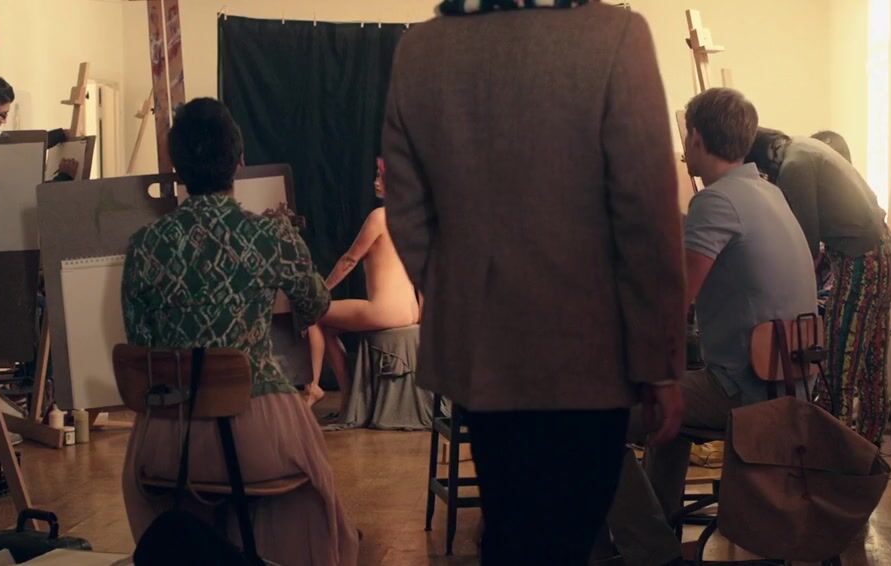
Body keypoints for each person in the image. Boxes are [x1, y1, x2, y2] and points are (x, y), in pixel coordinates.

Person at [383, 2, 687, 563]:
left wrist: (464, 299)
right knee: (568, 538)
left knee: (511, 530)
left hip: (483, 359)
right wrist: (660, 363)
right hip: (589, 354)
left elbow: (407, 211)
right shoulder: (615, 35)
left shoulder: (420, 49)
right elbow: (645, 217)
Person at [120, 97, 359, 566]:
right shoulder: (271, 235)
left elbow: (141, 341)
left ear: (177, 168)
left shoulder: (144, 244)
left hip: (170, 438)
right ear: (239, 161)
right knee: (316, 498)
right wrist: (290, 251)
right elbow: (317, 305)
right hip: (256, 433)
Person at [602, 88, 818, 565]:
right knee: (668, 417)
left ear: (696, 138)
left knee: (594, 421)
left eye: (685, 137)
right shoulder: (768, 192)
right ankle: (656, 535)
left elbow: (673, 303)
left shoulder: (717, 202)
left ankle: (648, 552)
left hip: (745, 389)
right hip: (791, 383)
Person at [747, 127, 891, 444]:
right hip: (886, 256)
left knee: (837, 368)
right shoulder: (805, 146)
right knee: (871, 366)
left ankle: (835, 456)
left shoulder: (793, 167)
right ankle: (867, 453)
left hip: (861, 263)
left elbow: (805, 243)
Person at [304, 157, 421, 410]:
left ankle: (314, 386)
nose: (375, 182)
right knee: (329, 328)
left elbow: (349, 260)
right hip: (410, 311)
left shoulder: (379, 217)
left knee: (313, 314)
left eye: (381, 177)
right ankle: (349, 397)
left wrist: (321, 291)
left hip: (385, 310)